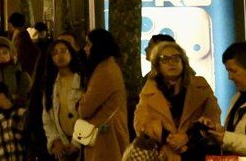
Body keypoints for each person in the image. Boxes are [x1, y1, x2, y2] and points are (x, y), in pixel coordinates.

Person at [132, 39, 219, 161]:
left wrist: (186, 137)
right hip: (161, 152)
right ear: (157, 65)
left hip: (195, 152)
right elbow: (141, 123)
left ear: (183, 62)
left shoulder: (200, 86)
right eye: (165, 59)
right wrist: (168, 138)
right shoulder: (150, 89)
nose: (171, 63)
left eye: (175, 58)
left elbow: (213, 119)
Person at [74, 29, 130, 161]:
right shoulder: (110, 67)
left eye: (88, 44)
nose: (86, 49)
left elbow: (85, 109)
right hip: (108, 135)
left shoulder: (104, 72)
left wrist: (79, 103)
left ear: (97, 46)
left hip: (106, 139)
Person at [31, 34, 86, 158]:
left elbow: (88, 114)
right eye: (55, 53)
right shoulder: (50, 84)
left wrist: (76, 142)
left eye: (63, 51)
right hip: (63, 142)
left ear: (71, 53)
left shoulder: (82, 80)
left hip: (83, 143)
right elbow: (47, 116)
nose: (60, 56)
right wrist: (55, 141)